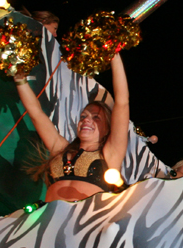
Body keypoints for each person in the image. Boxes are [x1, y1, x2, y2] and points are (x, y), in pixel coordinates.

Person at [16, 52, 129, 201]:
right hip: (51, 221)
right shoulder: (60, 148)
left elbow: (122, 102)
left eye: (96, 118)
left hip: (87, 222)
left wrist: (113, 53)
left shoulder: (110, 154)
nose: (87, 120)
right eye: (83, 116)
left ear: (107, 128)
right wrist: (20, 81)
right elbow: (36, 114)